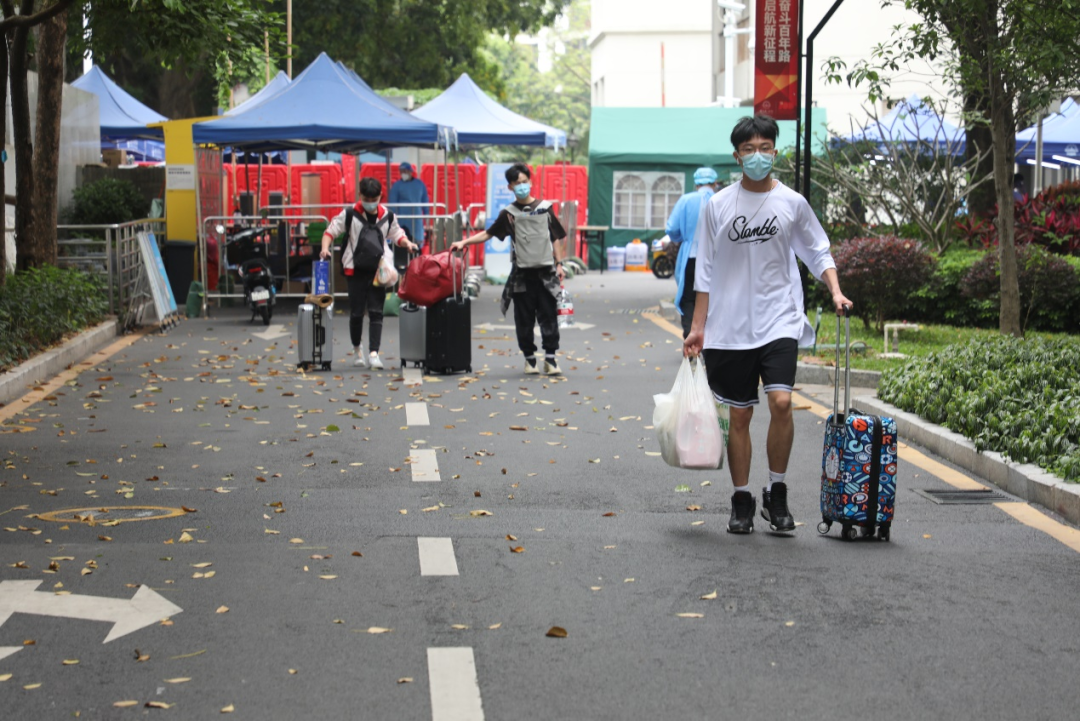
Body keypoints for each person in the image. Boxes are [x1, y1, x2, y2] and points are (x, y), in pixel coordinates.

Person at [683, 114, 853, 535]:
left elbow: (818, 250)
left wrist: (835, 291)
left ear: (775, 152)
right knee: (739, 417)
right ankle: (742, 499)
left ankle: (776, 493)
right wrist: (698, 327)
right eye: (749, 149)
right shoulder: (718, 205)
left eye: (765, 148)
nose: (757, 155)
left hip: (779, 319)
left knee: (780, 403)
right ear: (737, 155)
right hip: (729, 327)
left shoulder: (791, 203)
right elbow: (703, 269)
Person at [450, 163, 567, 375]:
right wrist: (464, 242)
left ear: (530, 182)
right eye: (517, 183)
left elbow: (555, 237)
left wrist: (559, 264)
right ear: (510, 187)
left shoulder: (545, 207)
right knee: (524, 319)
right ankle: (530, 360)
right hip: (521, 274)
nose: (522, 186)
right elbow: (488, 234)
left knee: (549, 316)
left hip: (547, 273)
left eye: (525, 182)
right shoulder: (509, 214)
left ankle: (551, 359)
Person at [320, 177, 417, 370]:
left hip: (378, 271)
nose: (370, 202)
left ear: (380, 196)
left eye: (374, 198)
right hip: (354, 270)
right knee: (356, 313)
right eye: (366, 198)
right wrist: (325, 249)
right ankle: (357, 349)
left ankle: (374, 353)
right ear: (360, 195)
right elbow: (329, 232)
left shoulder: (387, 216)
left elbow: (397, 235)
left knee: (376, 312)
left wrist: (407, 244)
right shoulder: (349, 214)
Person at [666, 167, 720, 338]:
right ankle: (712, 342)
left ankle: (691, 339)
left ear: (696, 184)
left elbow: (672, 229)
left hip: (691, 256)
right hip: (718, 258)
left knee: (689, 298)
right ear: (715, 183)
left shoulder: (686, 200)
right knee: (715, 299)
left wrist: (685, 236)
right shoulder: (722, 199)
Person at [388, 161, 430, 248]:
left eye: (405, 171)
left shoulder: (420, 184)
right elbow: (392, 205)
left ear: (411, 172)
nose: (403, 173)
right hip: (401, 220)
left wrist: (427, 220)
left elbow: (425, 202)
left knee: (417, 244)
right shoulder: (397, 186)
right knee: (401, 242)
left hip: (417, 220)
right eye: (401, 171)